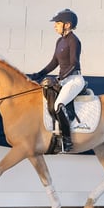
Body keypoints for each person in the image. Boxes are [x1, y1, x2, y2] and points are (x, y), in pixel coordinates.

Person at [31, 9, 85, 152]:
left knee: (58, 105)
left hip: (74, 79)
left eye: (57, 23)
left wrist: (59, 78)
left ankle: (67, 141)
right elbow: (54, 63)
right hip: (63, 80)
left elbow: (74, 64)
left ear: (67, 25)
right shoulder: (60, 41)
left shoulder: (74, 41)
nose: (55, 26)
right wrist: (38, 74)